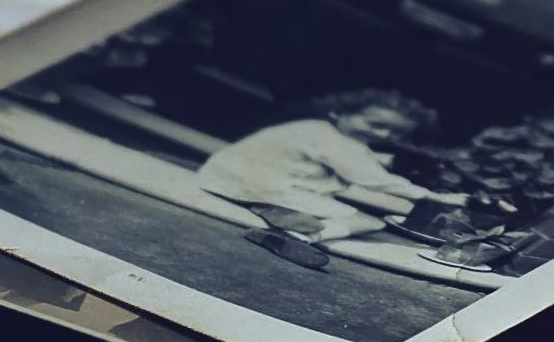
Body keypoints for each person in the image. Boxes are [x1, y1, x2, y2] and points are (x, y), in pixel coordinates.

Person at [195, 89, 469, 268]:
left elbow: (351, 158)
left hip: (223, 175)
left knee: (324, 201)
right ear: (339, 113)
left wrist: (384, 160)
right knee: (367, 220)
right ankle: (297, 236)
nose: (385, 136)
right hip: (261, 184)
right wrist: (438, 196)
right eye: (376, 125)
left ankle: (281, 212)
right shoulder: (337, 143)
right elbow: (372, 179)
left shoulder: (316, 129)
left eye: (395, 134)